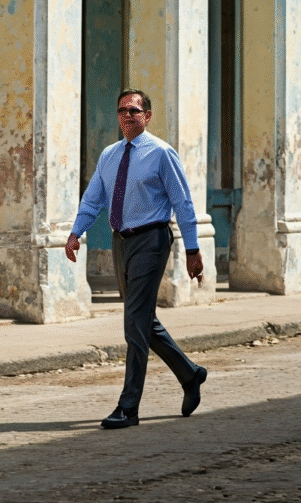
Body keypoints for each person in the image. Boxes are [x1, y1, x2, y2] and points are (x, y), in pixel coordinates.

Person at [65, 89, 207, 429]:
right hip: (121, 241)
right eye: (122, 111)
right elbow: (93, 199)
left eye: (134, 110)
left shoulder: (161, 153)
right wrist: (75, 233)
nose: (128, 116)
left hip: (152, 239)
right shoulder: (109, 155)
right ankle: (190, 375)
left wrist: (192, 249)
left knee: (134, 324)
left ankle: (129, 406)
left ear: (147, 116)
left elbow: (183, 203)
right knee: (141, 319)